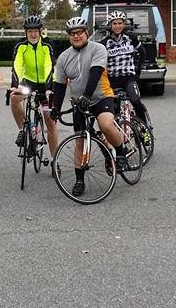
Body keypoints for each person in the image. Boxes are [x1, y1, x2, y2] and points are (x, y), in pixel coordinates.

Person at [50, 16, 131, 197]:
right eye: (72, 34)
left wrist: (87, 95)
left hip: (101, 97)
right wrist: (55, 107)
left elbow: (96, 72)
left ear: (86, 33)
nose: (76, 36)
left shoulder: (98, 48)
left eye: (79, 32)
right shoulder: (64, 57)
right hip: (79, 102)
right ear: (69, 36)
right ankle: (80, 180)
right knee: (80, 140)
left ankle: (120, 152)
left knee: (105, 124)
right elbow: (60, 85)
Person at [9, 15, 58, 160]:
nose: (33, 34)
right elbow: (17, 65)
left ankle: (55, 160)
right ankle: (24, 130)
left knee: (50, 121)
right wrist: (15, 85)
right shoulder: (20, 45)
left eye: (36, 31)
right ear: (25, 32)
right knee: (14, 98)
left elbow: (49, 65)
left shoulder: (47, 45)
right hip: (29, 83)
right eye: (30, 31)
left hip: (47, 85)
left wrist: (49, 88)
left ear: (40, 31)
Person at [98, 10, 149, 125]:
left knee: (135, 100)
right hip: (112, 79)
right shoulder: (104, 43)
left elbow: (143, 52)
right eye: (114, 23)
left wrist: (138, 72)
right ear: (110, 25)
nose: (117, 26)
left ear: (123, 24)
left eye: (120, 23)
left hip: (128, 78)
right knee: (113, 109)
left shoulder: (131, 38)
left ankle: (143, 129)